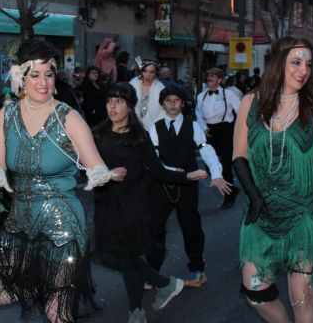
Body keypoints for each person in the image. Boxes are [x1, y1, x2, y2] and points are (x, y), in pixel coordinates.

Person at [0, 39, 113, 323]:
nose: (43, 82)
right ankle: (41, 287)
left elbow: (95, 163)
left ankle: (52, 292)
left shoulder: (68, 118)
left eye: (49, 74)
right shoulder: (6, 114)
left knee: (56, 315)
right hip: (19, 223)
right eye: (35, 74)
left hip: (63, 227)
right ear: (21, 77)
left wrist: (99, 173)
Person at [233, 36, 313, 323]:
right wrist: (253, 195)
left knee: (301, 296)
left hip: (303, 213)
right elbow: (239, 155)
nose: (303, 70)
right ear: (278, 64)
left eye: (307, 63)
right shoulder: (249, 103)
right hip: (261, 213)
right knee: (255, 291)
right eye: (296, 62)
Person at [94, 83, 207, 322]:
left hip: (135, 205)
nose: (112, 106)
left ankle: (136, 312)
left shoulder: (140, 137)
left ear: (130, 106)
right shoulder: (97, 134)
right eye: (109, 101)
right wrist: (105, 175)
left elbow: (157, 170)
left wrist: (185, 176)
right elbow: (86, 169)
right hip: (107, 204)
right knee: (108, 257)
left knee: (128, 257)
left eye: (119, 101)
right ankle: (165, 283)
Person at [147, 86, 232, 289]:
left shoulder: (192, 126)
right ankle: (152, 272)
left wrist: (217, 174)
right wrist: (170, 170)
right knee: (155, 229)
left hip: (188, 186)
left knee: (191, 227)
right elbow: (153, 158)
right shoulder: (155, 127)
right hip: (163, 186)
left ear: (182, 103)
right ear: (162, 104)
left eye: (177, 100)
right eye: (169, 100)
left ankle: (197, 270)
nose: (173, 104)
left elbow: (206, 150)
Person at [195, 67, 242, 209]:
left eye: (213, 76)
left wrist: (241, 129)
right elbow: (198, 114)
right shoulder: (201, 96)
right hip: (210, 132)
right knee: (210, 166)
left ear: (220, 80)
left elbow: (241, 110)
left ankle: (229, 197)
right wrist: (204, 128)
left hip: (226, 130)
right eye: (208, 75)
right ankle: (232, 189)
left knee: (226, 165)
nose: (209, 78)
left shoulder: (228, 94)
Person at [129, 59, 165, 126]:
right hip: (132, 127)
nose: (148, 75)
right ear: (141, 71)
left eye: (152, 72)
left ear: (156, 73)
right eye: (145, 71)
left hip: (153, 128)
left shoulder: (161, 89)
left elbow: (163, 112)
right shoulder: (132, 85)